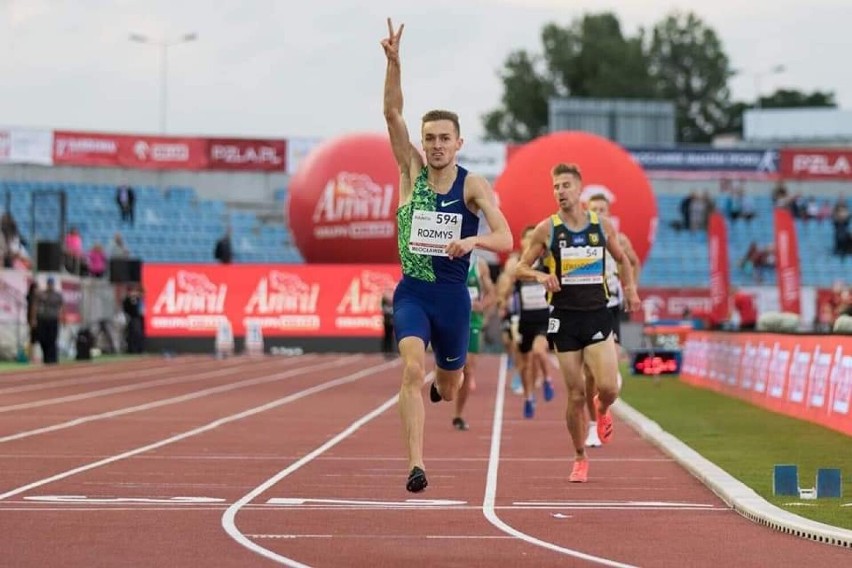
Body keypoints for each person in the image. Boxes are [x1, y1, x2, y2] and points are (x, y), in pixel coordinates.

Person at [381, 17, 512, 493]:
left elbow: (505, 238)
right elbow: (392, 114)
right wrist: (394, 65)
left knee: (451, 385)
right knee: (412, 367)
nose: (435, 146)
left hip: (454, 297)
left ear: (458, 143)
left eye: (444, 139)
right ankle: (416, 464)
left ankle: (444, 384)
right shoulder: (410, 170)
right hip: (414, 293)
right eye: (429, 137)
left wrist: (473, 241)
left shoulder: (472, 185)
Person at [515, 163, 640, 484]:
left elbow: (623, 259)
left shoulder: (601, 225)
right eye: (556, 186)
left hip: (597, 312)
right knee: (573, 395)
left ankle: (603, 407)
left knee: (609, 386)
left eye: (566, 185)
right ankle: (579, 456)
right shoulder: (548, 229)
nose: (560, 192)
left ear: (580, 189)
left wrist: (630, 291)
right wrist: (541, 274)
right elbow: (520, 268)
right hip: (564, 319)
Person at [583, 193, 641, 447]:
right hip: (587, 308)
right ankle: (594, 425)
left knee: (614, 354)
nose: (600, 212)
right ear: (588, 210)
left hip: (613, 306)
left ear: (609, 211)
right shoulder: (580, 235)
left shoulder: (620, 239)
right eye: (595, 208)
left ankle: (611, 377)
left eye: (603, 208)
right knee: (589, 374)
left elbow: (632, 261)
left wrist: (631, 288)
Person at [500, 226, 555, 419]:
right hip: (524, 320)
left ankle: (548, 379)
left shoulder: (547, 261)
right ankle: (529, 397)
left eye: (535, 238)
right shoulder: (517, 264)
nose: (532, 241)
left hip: (543, 317)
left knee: (539, 352)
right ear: (522, 241)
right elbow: (507, 288)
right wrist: (504, 299)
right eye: (528, 238)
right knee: (524, 365)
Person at [453, 254, 496, 431]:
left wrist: (483, 305)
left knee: (468, 368)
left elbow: (492, 294)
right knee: (449, 372)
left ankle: (458, 415)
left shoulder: (479, 264)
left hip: (472, 321)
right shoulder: (446, 258)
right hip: (450, 319)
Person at [35, 277, 64, 365]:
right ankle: (46, 357)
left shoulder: (57, 295)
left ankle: (53, 359)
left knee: (52, 339)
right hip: (42, 319)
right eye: (49, 284)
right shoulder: (42, 294)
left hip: (53, 319)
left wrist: (63, 317)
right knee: (43, 339)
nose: (50, 286)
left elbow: (62, 306)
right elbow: (35, 305)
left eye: (51, 284)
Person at [380, 286, 395, 358]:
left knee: (390, 337)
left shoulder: (393, 302)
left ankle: (390, 351)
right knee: (386, 337)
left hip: (391, 321)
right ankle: (385, 351)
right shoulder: (384, 302)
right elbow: (385, 310)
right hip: (386, 321)